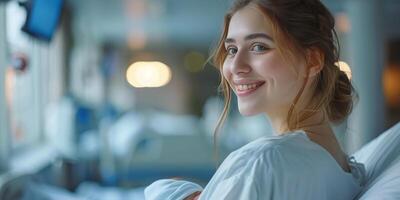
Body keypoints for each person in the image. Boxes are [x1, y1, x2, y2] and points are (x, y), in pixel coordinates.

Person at [145, 0, 366, 199]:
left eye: (259, 47)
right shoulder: (344, 168)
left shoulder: (262, 162)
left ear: (312, 60)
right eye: (231, 49)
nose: (236, 66)